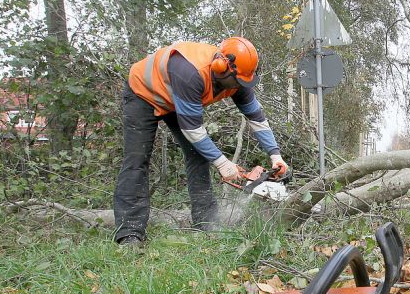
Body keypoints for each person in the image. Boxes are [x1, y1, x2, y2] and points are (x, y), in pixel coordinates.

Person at [113, 37, 289, 246]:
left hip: (176, 98)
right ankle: (129, 232)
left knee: (199, 155)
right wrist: (223, 164)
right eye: (237, 81)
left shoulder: (238, 77)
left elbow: (257, 118)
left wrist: (275, 154)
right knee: (137, 160)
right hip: (142, 93)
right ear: (221, 67)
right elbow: (192, 128)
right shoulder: (190, 73)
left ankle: (206, 222)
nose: (239, 86)